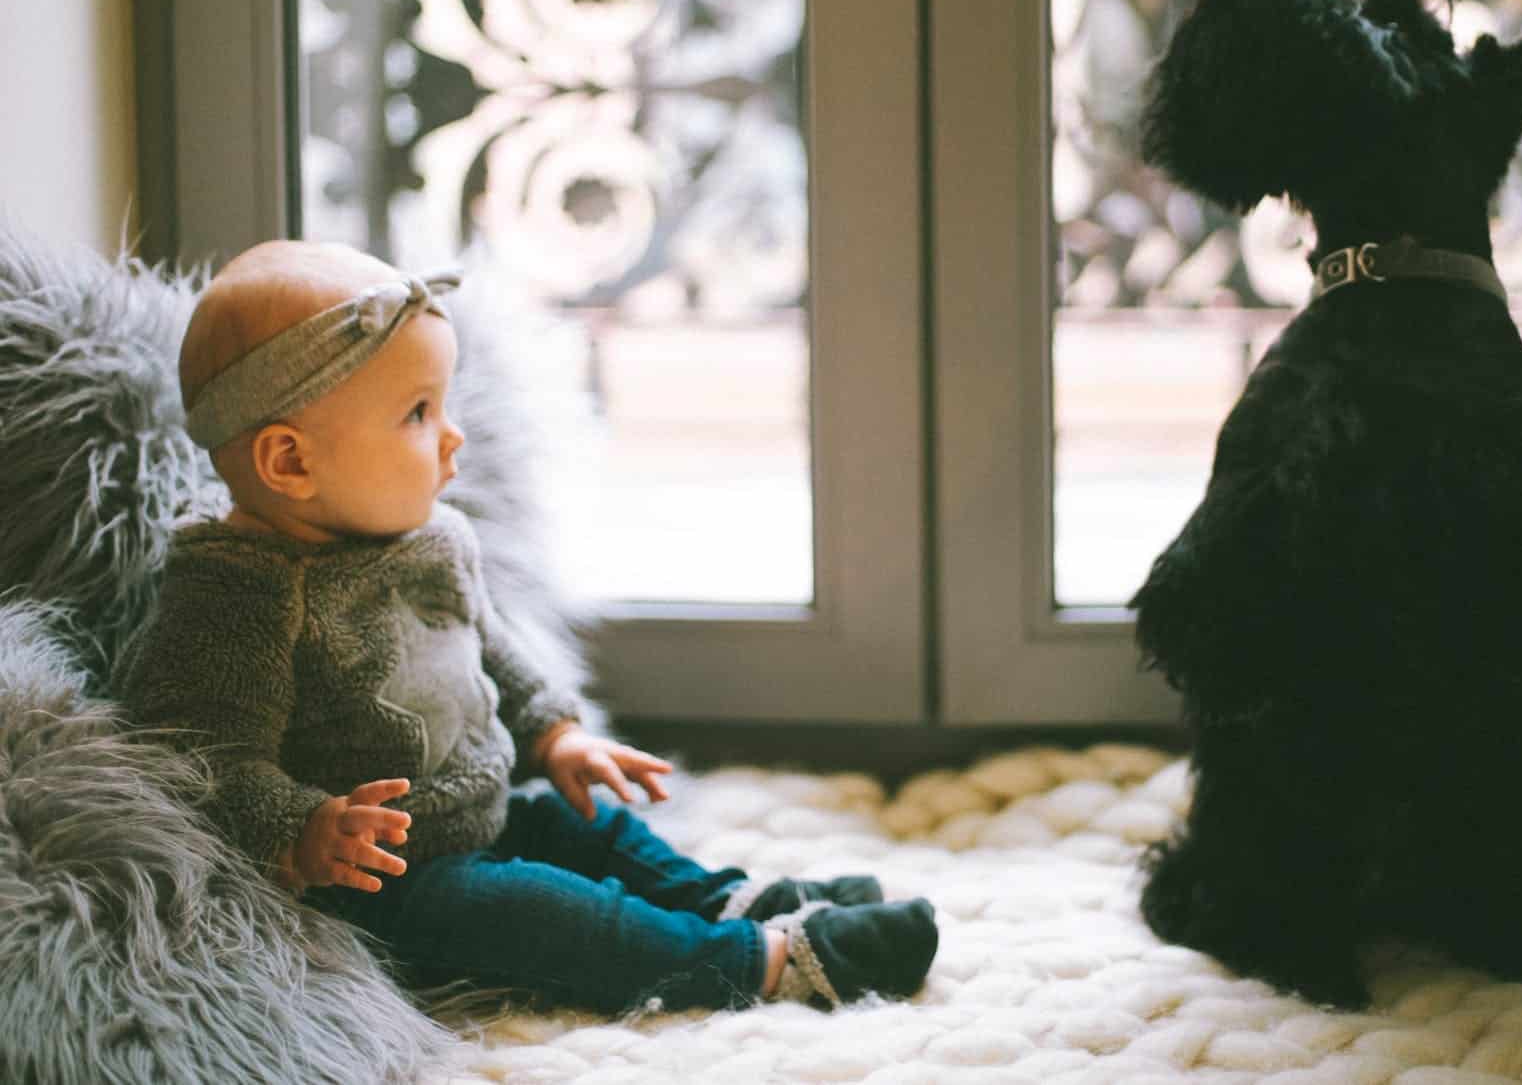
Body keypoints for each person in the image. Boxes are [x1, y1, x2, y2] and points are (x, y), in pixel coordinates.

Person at [113, 240, 937, 1013]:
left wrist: (553, 734)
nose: (453, 436)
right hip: (393, 882)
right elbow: (200, 754)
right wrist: (303, 826)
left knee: (600, 828)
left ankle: (740, 896)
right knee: (553, 914)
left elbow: (488, 647)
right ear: (291, 461)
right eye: (417, 414)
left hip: (492, 805)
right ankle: (762, 961)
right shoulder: (236, 592)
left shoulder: (427, 537)